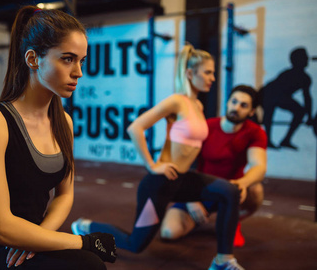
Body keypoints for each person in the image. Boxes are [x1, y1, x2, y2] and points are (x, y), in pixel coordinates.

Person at [0, 6, 117, 270]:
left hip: (22, 246)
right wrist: (83, 242)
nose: (78, 72)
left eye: (81, 61)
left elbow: (64, 195)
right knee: (88, 264)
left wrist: (39, 240)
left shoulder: (64, 123)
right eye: (67, 59)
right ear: (33, 59)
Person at [72, 44, 245, 270]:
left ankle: (223, 260)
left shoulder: (198, 105)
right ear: (191, 74)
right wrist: (152, 165)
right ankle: (85, 226)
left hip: (182, 180)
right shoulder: (177, 101)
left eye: (213, 72)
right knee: (136, 243)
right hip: (160, 183)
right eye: (208, 72)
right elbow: (135, 128)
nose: (213, 77)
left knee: (230, 191)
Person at [160, 85, 267, 248]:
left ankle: (233, 220)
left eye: (243, 105)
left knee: (256, 189)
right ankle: (201, 218)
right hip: (200, 190)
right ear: (228, 102)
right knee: (168, 232)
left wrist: (243, 183)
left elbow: (259, 166)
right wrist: (191, 199)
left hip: (231, 191)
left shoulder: (255, 132)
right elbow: (181, 164)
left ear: (251, 112)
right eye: (234, 101)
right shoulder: (207, 127)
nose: (236, 108)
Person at [259, 47, 313, 149]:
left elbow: (307, 98)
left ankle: (286, 140)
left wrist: (309, 116)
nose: (307, 60)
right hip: (268, 94)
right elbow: (273, 92)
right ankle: (268, 140)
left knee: (300, 111)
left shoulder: (306, 78)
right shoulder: (287, 74)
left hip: (280, 97)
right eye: (304, 58)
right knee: (270, 108)